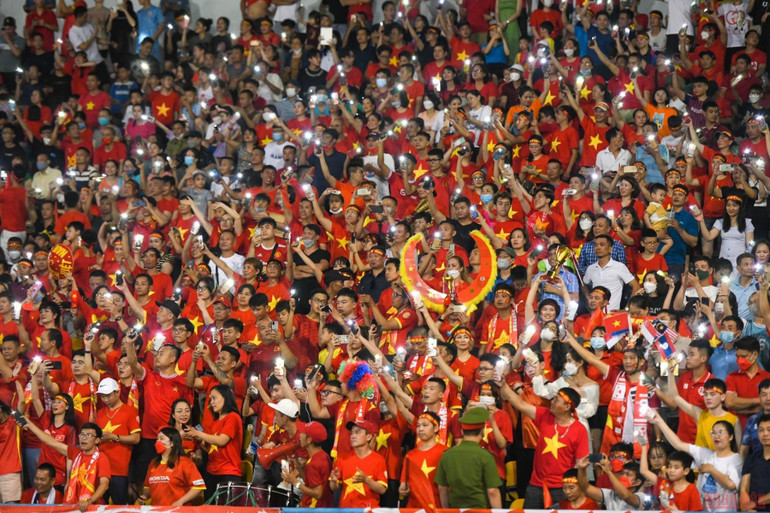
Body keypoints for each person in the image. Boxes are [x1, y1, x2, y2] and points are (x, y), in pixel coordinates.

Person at [23, 420, 111, 511]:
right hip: (73, 505)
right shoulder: (76, 453)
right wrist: (30, 425)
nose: (83, 438)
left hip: (92, 506)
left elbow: (104, 485)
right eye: (82, 435)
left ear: (97, 440)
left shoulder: (102, 458)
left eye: (88, 435)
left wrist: (89, 501)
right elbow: (51, 442)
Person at [435, 407, 502, 508]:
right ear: (483, 431)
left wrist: (446, 510)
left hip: (455, 509)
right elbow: (493, 491)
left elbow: (442, 488)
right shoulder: (485, 456)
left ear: (462, 431)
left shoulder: (447, 455)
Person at [139, 427, 206, 506]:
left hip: (178, 510)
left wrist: (181, 501)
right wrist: (144, 496)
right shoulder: (153, 463)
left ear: (172, 443)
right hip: (157, 509)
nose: (158, 442)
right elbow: (148, 487)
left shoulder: (185, 462)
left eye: (162, 438)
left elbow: (198, 487)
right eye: (157, 439)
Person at [329, 420, 388, 507]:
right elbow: (333, 488)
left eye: (357, 432)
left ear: (368, 437)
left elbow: (382, 490)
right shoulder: (342, 458)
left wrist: (366, 480)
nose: (353, 436)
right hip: (346, 510)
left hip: (368, 510)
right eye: (352, 433)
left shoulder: (379, 460)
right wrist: (334, 481)